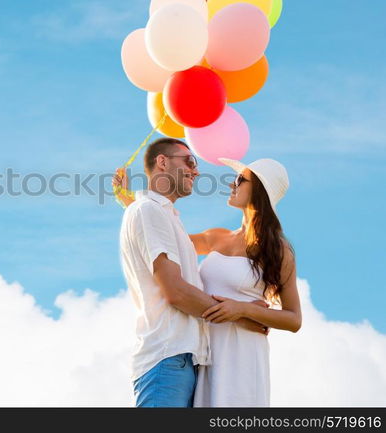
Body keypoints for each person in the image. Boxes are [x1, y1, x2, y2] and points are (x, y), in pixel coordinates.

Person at [114, 154, 302, 407]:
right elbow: (163, 232)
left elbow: (293, 319)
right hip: (205, 350)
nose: (231, 184)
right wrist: (127, 199)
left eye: (240, 179)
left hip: (242, 351)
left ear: (260, 190)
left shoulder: (278, 250)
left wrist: (242, 310)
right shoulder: (217, 237)